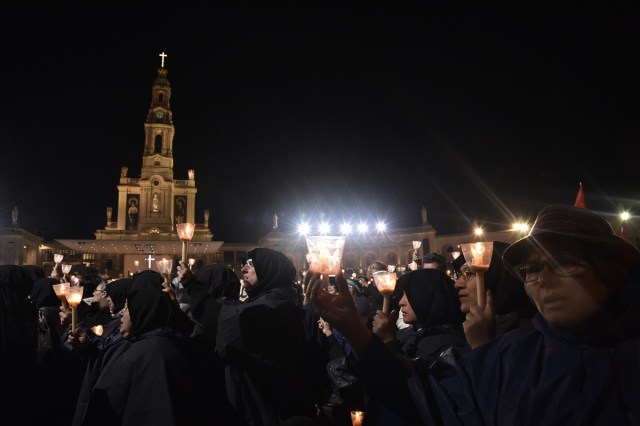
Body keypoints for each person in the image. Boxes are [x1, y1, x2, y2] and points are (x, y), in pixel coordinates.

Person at [310, 204, 640, 424]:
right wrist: (354, 328)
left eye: (564, 263)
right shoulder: (511, 355)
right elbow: (423, 396)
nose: (543, 280)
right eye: (530, 268)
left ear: (608, 269)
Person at [179, 249, 325, 425]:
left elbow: (222, 322)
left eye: (251, 264)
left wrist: (193, 286)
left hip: (269, 409)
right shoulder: (268, 301)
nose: (244, 269)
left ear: (269, 269)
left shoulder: (274, 307)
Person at [78, 287, 207, 425]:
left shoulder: (151, 354)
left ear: (142, 311)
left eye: (128, 308)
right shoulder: (159, 344)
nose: (121, 313)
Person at [452, 241, 535, 348]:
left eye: (469, 273)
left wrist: (482, 346)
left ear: (497, 276)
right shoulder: (470, 332)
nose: (457, 284)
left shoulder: (527, 339)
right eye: (459, 275)